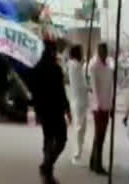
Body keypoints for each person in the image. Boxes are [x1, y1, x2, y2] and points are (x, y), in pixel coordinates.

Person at [30, 39, 72, 184]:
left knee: (48, 140)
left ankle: (47, 172)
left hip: (44, 111)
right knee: (61, 139)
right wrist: (67, 109)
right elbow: (61, 92)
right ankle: (47, 167)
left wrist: (36, 110)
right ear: (52, 52)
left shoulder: (37, 68)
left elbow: (34, 92)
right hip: (55, 110)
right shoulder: (56, 69)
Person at [89, 42, 114, 175]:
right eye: (101, 51)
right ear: (98, 52)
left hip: (106, 106)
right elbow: (94, 88)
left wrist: (111, 105)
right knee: (100, 136)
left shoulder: (108, 68)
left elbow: (111, 89)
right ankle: (97, 164)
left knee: (100, 136)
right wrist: (98, 105)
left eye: (105, 51)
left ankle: (93, 161)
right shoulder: (94, 68)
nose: (103, 53)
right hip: (99, 107)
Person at [66, 44, 88, 165]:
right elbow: (81, 84)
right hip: (79, 100)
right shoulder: (75, 65)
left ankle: (78, 152)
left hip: (80, 100)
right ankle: (76, 154)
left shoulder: (76, 65)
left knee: (81, 128)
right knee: (79, 128)